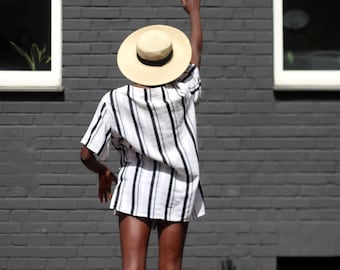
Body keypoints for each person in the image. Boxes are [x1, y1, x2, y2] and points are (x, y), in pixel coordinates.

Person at [80, 1, 204, 269]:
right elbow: (196, 57)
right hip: (178, 187)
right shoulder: (183, 93)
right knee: (171, 265)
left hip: (135, 185)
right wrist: (194, 12)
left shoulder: (115, 100)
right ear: (171, 61)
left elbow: (86, 154)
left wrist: (103, 172)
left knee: (132, 266)